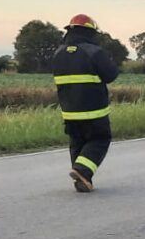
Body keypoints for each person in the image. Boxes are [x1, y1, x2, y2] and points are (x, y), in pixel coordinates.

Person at [51, 14, 119, 193]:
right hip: (94, 110)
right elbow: (111, 75)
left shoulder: (58, 53)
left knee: (77, 142)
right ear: (89, 32)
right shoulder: (94, 51)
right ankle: (82, 170)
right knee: (100, 139)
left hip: (69, 110)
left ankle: (83, 178)